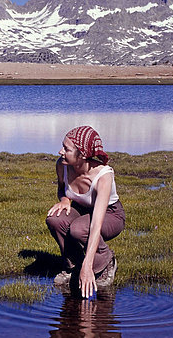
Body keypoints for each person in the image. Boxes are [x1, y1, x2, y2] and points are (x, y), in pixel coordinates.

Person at [46, 126, 125, 298]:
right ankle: (73, 267)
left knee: (79, 229)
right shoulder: (62, 165)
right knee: (55, 218)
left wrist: (88, 267)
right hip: (82, 212)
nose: (60, 151)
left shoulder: (103, 175)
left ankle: (106, 261)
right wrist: (65, 200)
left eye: (66, 149)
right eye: (62, 146)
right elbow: (62, 190)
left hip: (110, 215)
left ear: (82, 155)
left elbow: (96, 225)